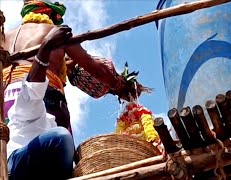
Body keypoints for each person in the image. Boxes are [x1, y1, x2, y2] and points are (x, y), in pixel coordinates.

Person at [2, 0, 143, 134]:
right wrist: (118, 85)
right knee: (57, 148)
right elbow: (93, 67)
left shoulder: (5, 38)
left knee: (9, 147)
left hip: (6, 98)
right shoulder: (55, 33)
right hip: (42, 94)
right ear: (49, 14)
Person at [7, 26, 74, 180]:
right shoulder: (29, 109)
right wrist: (46, 46)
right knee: (60, 138)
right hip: (14, 166)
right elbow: (32, 87)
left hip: (39, 171)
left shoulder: (52, 123)